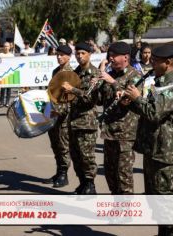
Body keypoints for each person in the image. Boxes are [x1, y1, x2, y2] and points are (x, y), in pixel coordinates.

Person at [124, 44, 173, 236]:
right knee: (154, 196)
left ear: (168, 62)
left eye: (155, 61)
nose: (151, 63)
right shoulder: (161, 81)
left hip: (166, 150)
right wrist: (130, 102)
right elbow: (147, 109)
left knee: (164, 197)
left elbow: (155, 113)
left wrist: (137, 98)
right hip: (153, 147)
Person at [96, 41, 141, 194]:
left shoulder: (134, 76)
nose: (111, 59)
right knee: (110, 174)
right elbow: (99, 100)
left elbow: (126, 101)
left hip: (125, 135)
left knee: (124, 176)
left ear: (126, 58)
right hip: (109, 133)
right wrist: (97, 80)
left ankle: (126, 214)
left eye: (115, 56)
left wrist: (113, 82)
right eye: (110, 56)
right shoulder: (110, 74)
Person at [61, 42, 100, 194]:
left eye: (83, 53)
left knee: (87, 156)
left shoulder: (94, 74)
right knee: (75, 155)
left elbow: (90, 99)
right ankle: (83, 183)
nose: (79, 56)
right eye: (77, 53)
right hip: (74, 119)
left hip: (87, 121)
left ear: (89, 54)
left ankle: (91, 185)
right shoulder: (75, 72)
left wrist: (73, 90)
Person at [44, 45, 73, 188]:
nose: (59, 57)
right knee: (55, 144)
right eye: (57, 54)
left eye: (62, 55)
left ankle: (64, 174)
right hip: (52, 113)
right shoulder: (56, 71)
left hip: (64, 115)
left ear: (69, 56)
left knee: (63, 145)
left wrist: (59, 111)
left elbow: (70, 98)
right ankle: (58, 171)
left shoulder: (71, 73)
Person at [0, 42, 14, 108]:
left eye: (7, 46)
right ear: (3, 47)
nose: (6, 48)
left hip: (9, 74)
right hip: (3, 74)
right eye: (5, 46)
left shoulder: (12, 55)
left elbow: (13, 64)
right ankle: (1, 102)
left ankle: (7, 102)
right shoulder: (0, 54)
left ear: (9, 47)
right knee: (3, 89)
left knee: (8, 89)